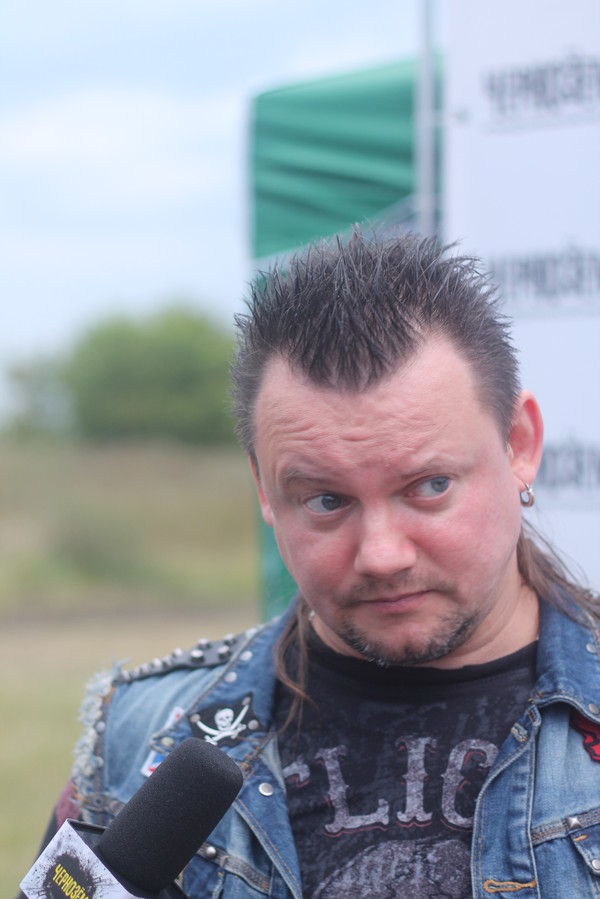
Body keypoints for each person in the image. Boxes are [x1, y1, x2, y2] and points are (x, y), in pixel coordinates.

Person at [22, 231, 600, 898]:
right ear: (265, 490)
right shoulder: (144, 735)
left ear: (519, 444)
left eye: (429, 486)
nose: (381, 555)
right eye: (327, 500)